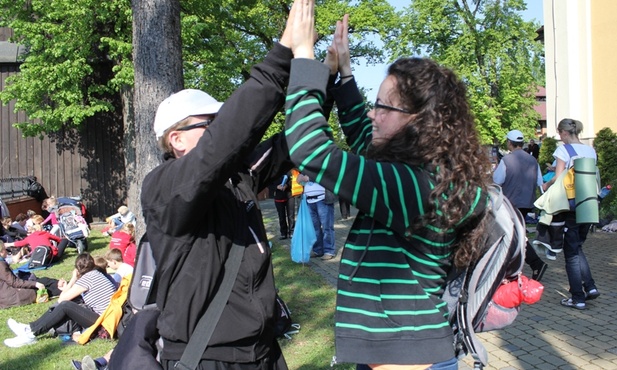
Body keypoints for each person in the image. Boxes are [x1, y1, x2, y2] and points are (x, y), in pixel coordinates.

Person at [285, 7, 489, 369]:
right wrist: (344, 73)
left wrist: (304, 59)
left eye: (383, 106)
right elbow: (365, 140)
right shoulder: (428, 176)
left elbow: (310, 150)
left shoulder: (414, 188)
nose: (372, 113)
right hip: (407, 354)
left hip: (407, 359)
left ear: (421, 121)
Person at [129, 4, 309, 368]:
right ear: (176, 139)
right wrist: (282, 52)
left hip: (262, 350)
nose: (220, 128)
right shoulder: (163, 188)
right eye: (208, 124)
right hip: (209, 357)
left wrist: (324, 77)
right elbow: (227, 140)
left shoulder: (236, 179)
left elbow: (294, 140)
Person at [539, 118, 600, 310]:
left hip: (569, 205)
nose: (559, 137)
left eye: (560, 134)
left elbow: (559, 178)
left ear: (565, 132)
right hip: (588, 203)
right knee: (577, 247)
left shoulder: (563, 150)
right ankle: (589, 287)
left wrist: (545, 185)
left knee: (571, 253)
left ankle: (577, 297)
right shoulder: (590, 150)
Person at [3, 252, 117, 347]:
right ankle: (29, 328)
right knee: (68, 303)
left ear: (77, 269)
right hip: (105, 316)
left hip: (102, 321)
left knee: (65, 306)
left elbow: (62, 299)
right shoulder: (96, 274)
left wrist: (73, 278)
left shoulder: (87, 279)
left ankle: (31, 334)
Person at [493, 130, 548, 280]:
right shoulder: (533, 161)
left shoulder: (507, 160)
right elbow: (540, 183)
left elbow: (496, 182)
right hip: (526, 202)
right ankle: (519, 266)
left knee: (513, 235)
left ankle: (534, 264)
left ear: (509, 143)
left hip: (510, 204)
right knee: (516, 234)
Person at [0, 241, 60, 309]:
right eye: (5, 249)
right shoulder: (1, 265)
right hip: (11, 297)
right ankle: (68, 288)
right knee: (46, 290)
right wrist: (35, 284)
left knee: (45, 281)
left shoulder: (2, 263)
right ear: (1, 251)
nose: (7, 251)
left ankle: (67, 284)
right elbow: (14, 282)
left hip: (6, 295)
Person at [297, 173, 336, 260]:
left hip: (323, 200)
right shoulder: (305, 167)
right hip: (309, 201)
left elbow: (327, 175)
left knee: (327, 227)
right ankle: (318, 250)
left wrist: (309, 177)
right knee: (314, 228)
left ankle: (329, 251)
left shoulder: (323, 162)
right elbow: (300, 180)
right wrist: (300, 178)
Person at [3, 222, 70, 262]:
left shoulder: (29, 237)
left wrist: (8, 244)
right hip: (52, 257)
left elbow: (20, 243)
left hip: (39, 258)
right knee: (64, 240)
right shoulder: (45, 233)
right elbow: (58, 239)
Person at [272, 172, 293, 240]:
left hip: (289, 195)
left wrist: (287, 185)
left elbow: (293, 180)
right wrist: (276, 187)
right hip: (278, 196)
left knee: (291, 216)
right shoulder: (273, 172)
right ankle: (283, 233)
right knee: (281, 216)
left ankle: (291, 232)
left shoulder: (288, 171)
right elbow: (269, 185)